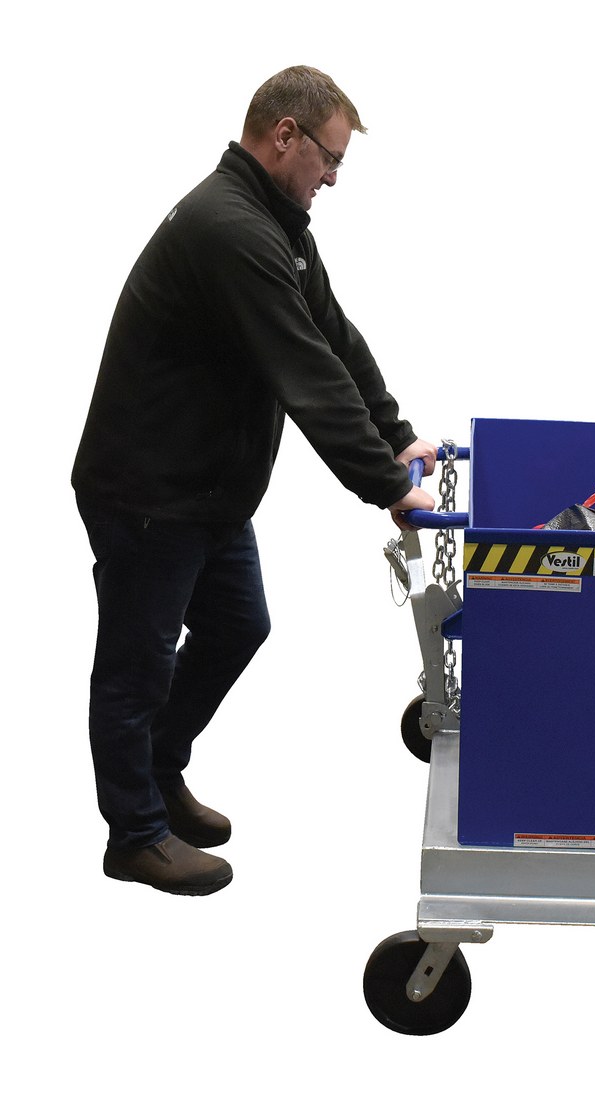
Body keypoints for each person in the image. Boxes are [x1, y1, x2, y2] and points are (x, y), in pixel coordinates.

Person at [72, 65, 437, 897]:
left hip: (206, 490)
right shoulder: (229, 230)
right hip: (149, 493)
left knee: (239, 625)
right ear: (285, 136)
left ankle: (158, 770)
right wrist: (386, 484)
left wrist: (397, 434)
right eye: (329, 159)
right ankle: (134, 834)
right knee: (135, 666)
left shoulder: (277, 224)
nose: (333, 178)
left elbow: (333, 336)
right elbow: (304, 373)